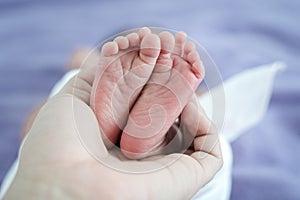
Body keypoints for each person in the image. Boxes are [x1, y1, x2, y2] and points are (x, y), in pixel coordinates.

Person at [2, 27, 223, 199]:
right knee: (208, 150)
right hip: (175, 176)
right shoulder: (196, 102)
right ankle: (162, 143)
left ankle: (97, 120)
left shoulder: (86, 69)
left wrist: (79, 62)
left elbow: (78, 57)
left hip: (46, 174)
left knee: (52, 110)